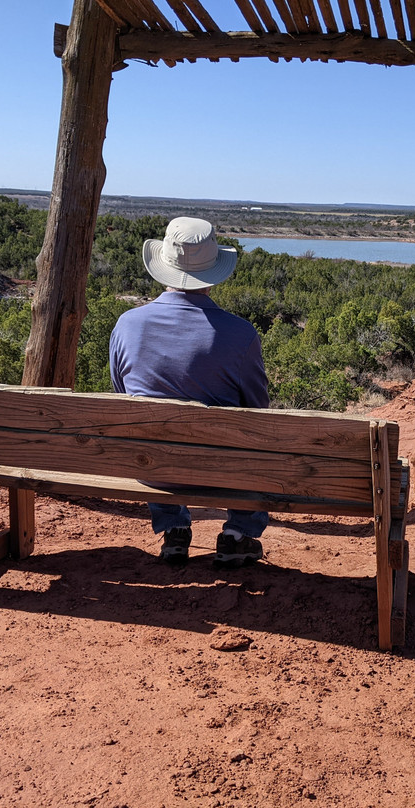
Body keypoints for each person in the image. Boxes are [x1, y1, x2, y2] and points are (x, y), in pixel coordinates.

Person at [109, 217, 270, 567]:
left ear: (164, 265)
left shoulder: (126, 325)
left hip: (149, 465)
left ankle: (173, 527)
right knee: (256, 446)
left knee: (146, 431)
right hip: (219, 469)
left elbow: (122, 395)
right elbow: (259, 411)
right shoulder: (240, 334)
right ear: (214, 272)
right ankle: (238, 533)